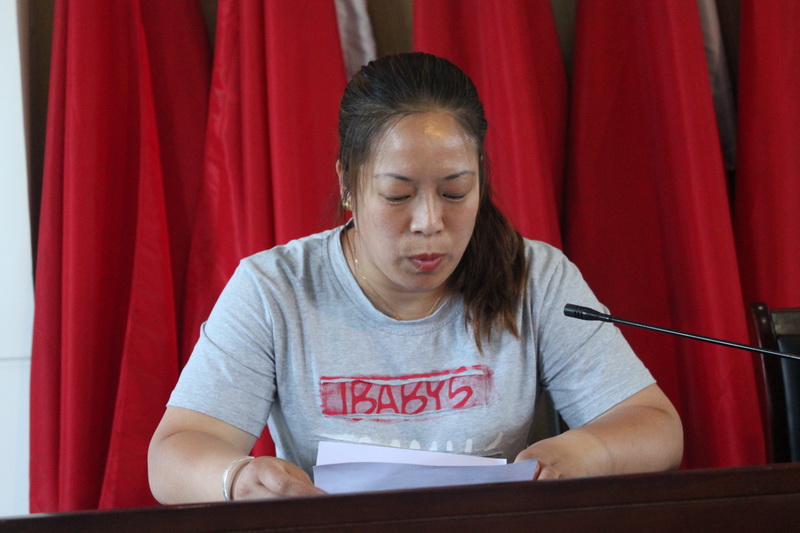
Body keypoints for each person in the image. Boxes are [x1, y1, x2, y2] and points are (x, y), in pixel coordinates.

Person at [148, 52, 683, 504]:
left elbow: (654, 425)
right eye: (398, 195)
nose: (429, 222)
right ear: (347, 184)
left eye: (455, 192)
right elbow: (174, 452)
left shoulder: (533, 277)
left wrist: (585, 450)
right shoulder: (274, 289)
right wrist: (237, 478)